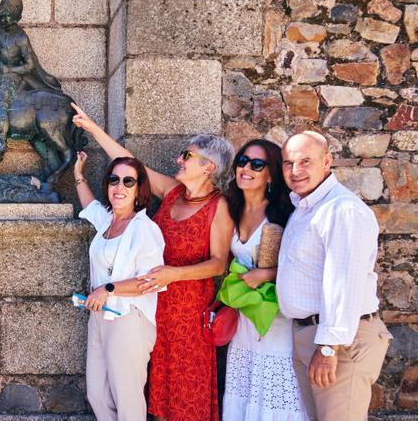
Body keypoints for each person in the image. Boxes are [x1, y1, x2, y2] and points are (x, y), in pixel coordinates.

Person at [71, 103, 234, 421]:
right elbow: (134, 166)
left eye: (187, 156)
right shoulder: (173, 193)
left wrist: (175, 274)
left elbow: (218, 264)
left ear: (208, 167)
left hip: (186, 310)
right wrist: (94, 130)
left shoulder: (219, 207)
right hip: (152, 302)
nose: (179, 160)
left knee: (185, 391)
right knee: (148, 392)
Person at [277, 131, 392, 421]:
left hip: (338, 341)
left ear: (327, 161)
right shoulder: (306, 206)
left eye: (305, 161)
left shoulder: (342, 210)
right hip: (314, 335)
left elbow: (344, 282)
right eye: (288, 163)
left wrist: (328, 348)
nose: (295, 170)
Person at [74, 152, 165, 421]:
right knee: (97, 395)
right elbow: (90, 204)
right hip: (100, 317)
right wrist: (78, 173)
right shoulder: (107, 222)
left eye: (128, 181)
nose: (119, 187)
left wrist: (108, 289)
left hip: (129, 320)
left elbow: (151, 281)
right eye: (114, 180)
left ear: (139, 190)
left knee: (127, 399)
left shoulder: (144, 229)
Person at [221, 139, 307, 421]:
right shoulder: (231, 208)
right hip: (243, 318)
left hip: (274, 318)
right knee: (244, 391)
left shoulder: (283, 214)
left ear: (270, 174)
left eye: (257, 164)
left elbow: (304, 266)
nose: (246, 168)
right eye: (242, 162)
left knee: (273, 392)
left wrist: (266, 274)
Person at [0, 0, 62, 157]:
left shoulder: (21, 37)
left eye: (7, 17)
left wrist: (10, 69)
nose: (3, 20)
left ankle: (0, 143)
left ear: (15, 17)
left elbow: (30, 65)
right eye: (2, 15)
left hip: (11, 77)